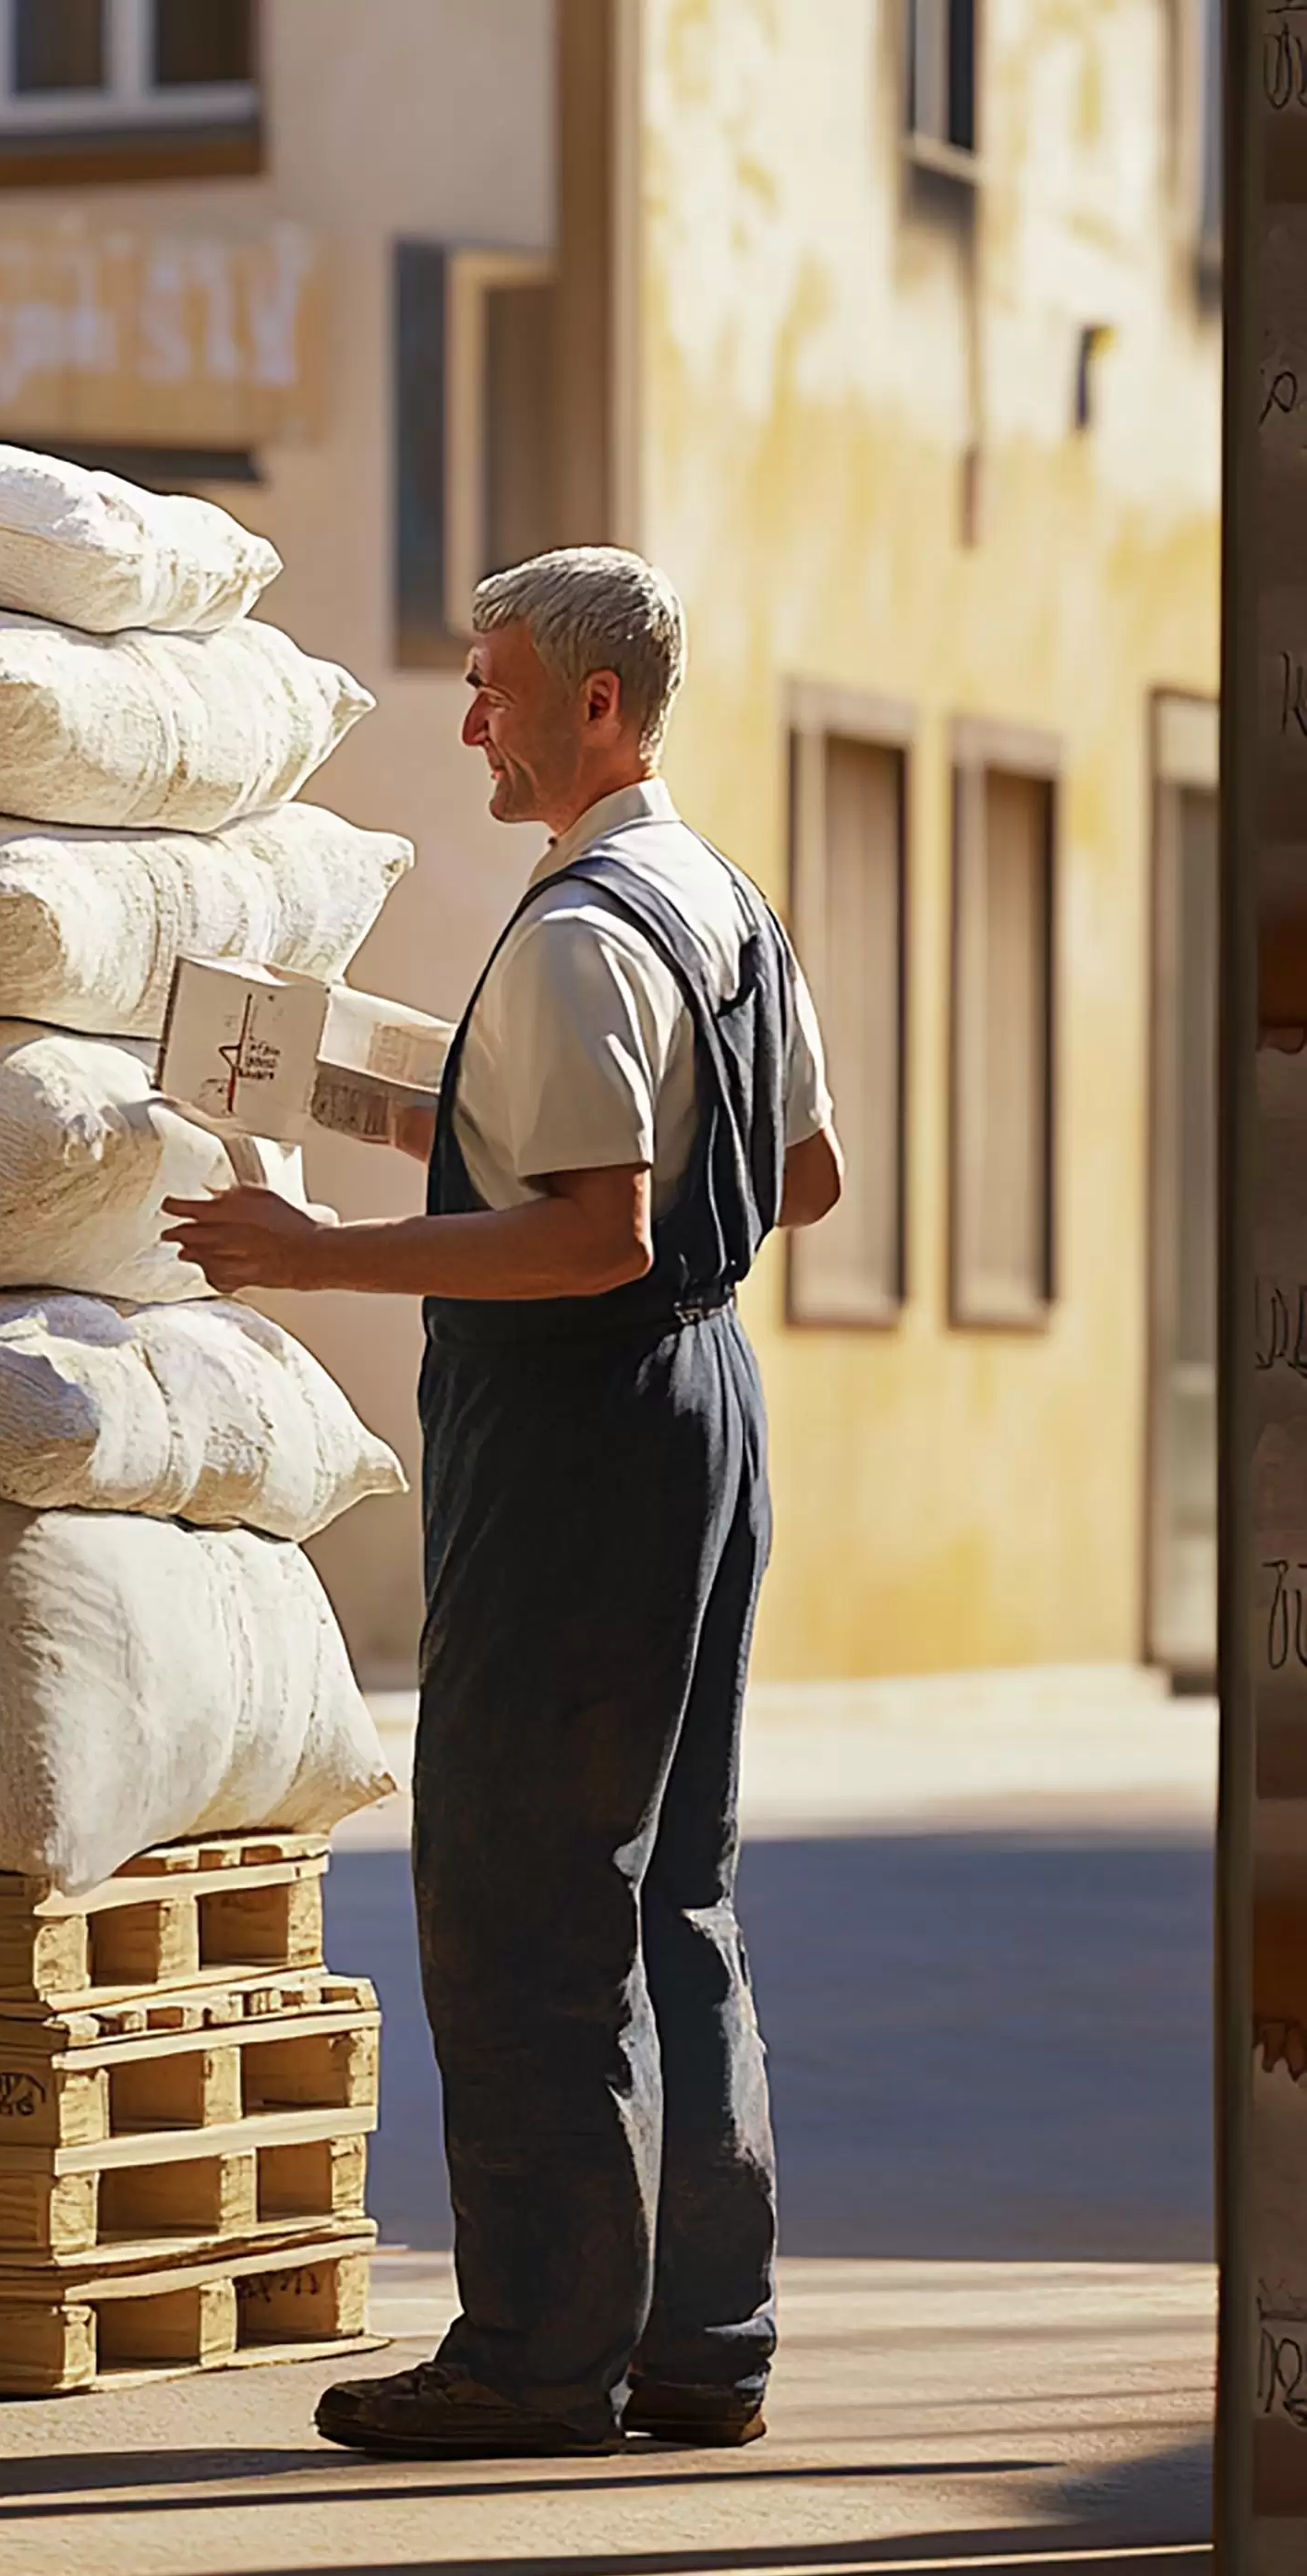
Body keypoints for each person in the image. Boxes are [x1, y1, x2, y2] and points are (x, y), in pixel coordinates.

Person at [165, 548, 842, 2459]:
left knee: (523, 1893)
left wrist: (312, 1249)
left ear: (597, 709)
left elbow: (590, 1234)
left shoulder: (571, 935)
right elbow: (802, 1183)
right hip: (711, 1417)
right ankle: (706, 2342)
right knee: (677, 1895)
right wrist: (462, 1120)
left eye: (496, 683)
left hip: (581, 1448)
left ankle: (539, 2354)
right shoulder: (727, 906)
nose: (468, 713)